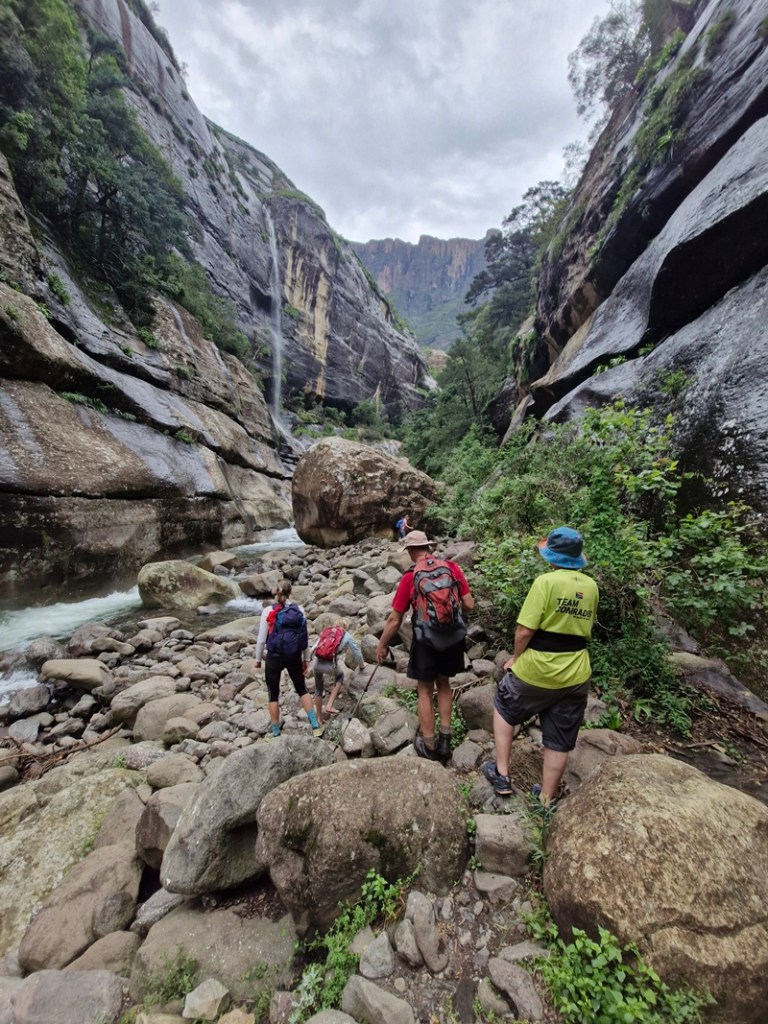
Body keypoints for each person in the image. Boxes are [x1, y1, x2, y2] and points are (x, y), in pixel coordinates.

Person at [482, 526, 599, 804]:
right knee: (559, 735)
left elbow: (524, 631)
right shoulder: (591, 586)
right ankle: (545, 799)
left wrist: (516, 658)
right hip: (576, 672)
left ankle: (502, 773)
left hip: (539, 667)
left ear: (552, 556)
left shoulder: (545, 582)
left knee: (504, 704)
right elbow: (587, 625)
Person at [376, 530, 474, 762]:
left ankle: (429, 746)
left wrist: (381, 645)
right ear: (428, 547)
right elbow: (469, 603)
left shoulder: (411, 577)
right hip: (452, 637)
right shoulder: (451, 567)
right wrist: (449, 614)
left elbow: (394, 619)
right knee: (444, 684)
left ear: (410, 551)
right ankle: (445, 740)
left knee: (424, 690)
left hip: (425, 639)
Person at [255, 579, 323, 737]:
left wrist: (258, 660)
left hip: (274, 657)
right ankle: (315, 725)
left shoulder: (268, 611)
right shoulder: (299, 610)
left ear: (276, 593)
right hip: (294, 656)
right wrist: (306, 660)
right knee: (302, 689)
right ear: (290, 592)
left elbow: (261, 639)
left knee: (273, 694)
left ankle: (276, 732)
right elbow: (303, 638)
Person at [310, 618, 364, 724]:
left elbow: (313, 649)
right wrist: (362, 665)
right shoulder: (347, 636)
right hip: (330, 666)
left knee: (318, 690)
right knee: (340, 677)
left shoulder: (327, 632)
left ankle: (319, 719)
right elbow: (357, 653)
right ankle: (329, 705)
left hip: (316, 663)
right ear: (345, 627)